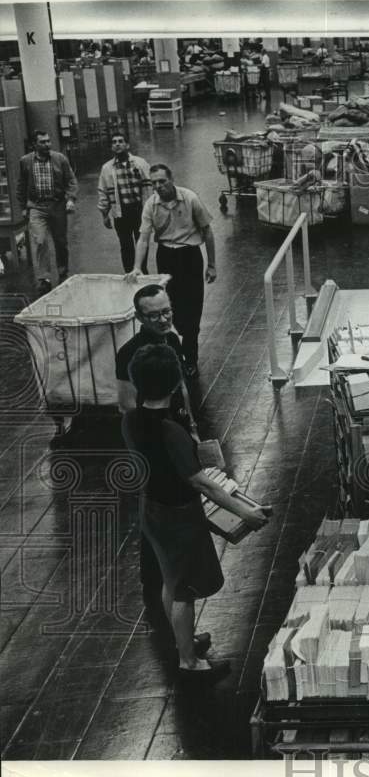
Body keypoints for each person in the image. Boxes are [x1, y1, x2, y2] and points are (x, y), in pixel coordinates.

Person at [122, 343, 270, 681]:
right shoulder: (170, 430)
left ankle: (182, 641)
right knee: (185, 590)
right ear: (175, 383)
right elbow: (203, 483)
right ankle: (189, 662)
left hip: (152, 509)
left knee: (169, 578)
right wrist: (246, 514)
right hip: (178, 515)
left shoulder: (131, 420)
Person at [116, 283, 198, 627]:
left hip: (177, 431)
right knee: (159, 513)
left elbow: (181, 388)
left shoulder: (174, 341)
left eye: (167, 311)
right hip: (155, 442)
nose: (163, 319)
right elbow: (125, 404)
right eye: (154, 315)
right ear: (139, 317)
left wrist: (191, 425)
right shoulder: (129, 354)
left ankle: (173, 578)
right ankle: (155, 584)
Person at [127, 165, 216, 379]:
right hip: (166, 257)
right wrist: (137, 266)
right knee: (169, 307)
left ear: (171, 179)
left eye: (162, 181)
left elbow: (207, 231)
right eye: (154, 182)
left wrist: (211, 264)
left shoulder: (190, 198)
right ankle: (176, 355)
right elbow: (143, 238)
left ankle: (191, 359)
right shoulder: (151, 204)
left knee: (193, 311)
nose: (158, 186)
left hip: (190, 256)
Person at [16, 130, 79, 295]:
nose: (47, 144)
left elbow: (71, 180)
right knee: (40, 240)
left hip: (57, 205)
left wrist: (71, 199)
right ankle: (44, 278)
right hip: (37, 207)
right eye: (42, 142)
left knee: (60, 241)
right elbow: (21, 186)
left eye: (48, 141)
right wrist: (23, 207)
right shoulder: (25, 161)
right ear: (34, 145)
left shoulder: (60, 159)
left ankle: (63, 272)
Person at [98, 132, 152, 273]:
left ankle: (142, 270)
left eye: (121, 141)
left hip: (140, 210)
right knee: (125, 245)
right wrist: (105, 215)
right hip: (121, 212)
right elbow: (103, 192)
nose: (117, 144)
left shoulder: (140, 163)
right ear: (111, 147)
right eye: (114, 142)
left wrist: (152, 211)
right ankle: (129, 272)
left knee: (142, 241)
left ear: (127, 145)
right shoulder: (107, 168)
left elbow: (150, 187)